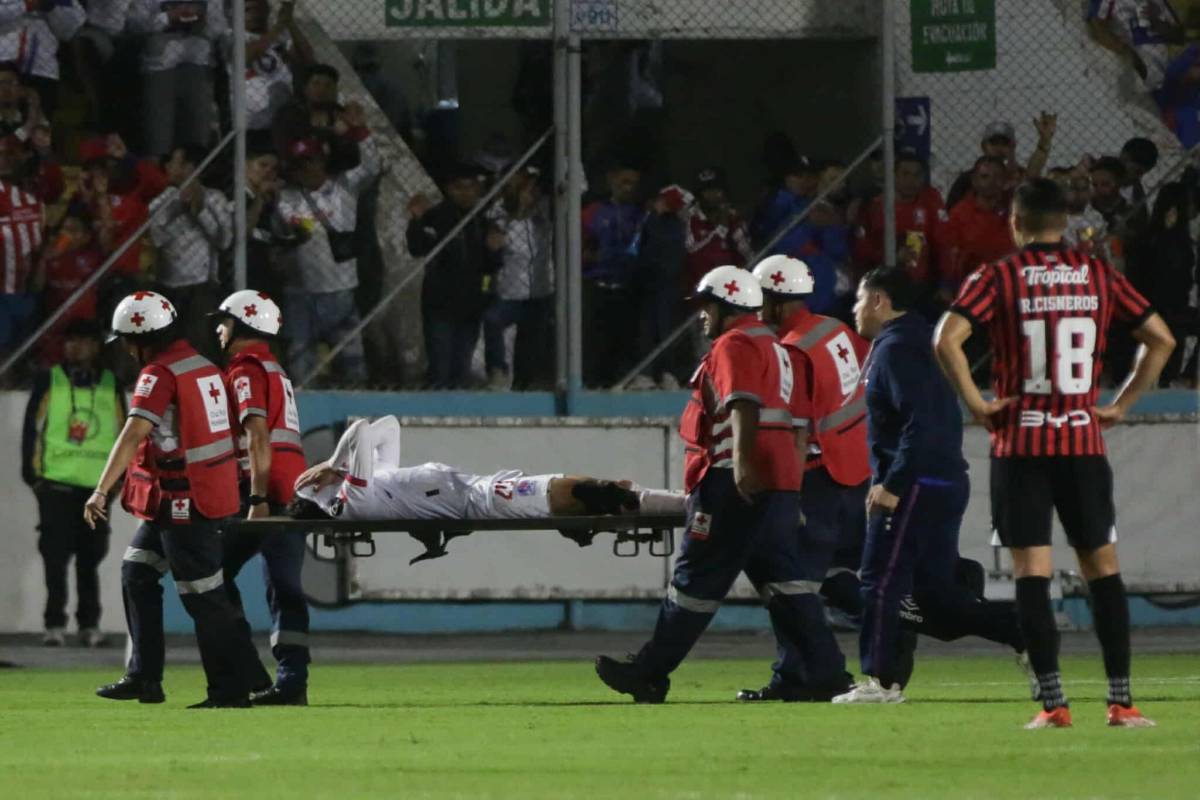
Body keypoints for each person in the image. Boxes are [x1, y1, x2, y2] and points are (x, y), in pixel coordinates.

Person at [933, 177, 1176, 728]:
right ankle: (1121, 702)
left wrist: (977, 402)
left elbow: (945, 339)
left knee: (1031, 572)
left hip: (1021, 443)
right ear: (1065, 221)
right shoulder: (1097, 274)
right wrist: (1121, 404)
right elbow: (1161, 338)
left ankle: (1053, 704)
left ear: (1015, 222)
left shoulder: (998, 276)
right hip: (1082, 442)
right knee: (1102, 568)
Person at [594, 265, 849, 704]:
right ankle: (826, 673)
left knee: (696, 579)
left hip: (733, 483)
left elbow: (741, 404)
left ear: (728, 307)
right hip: (776, 483)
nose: (701, 316)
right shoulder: (777, 348)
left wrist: (742, 466)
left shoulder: (735, 344)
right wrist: (789, 489)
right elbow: (798, 425)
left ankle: (649, 672)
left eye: (707, 307)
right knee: (786, 584)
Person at [830, 266, 1026, 704]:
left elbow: (921, 422)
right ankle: (1024, 631)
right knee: (934, 598)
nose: (854, 308)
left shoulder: (897, 348)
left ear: (879, 300)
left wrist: (893, 483)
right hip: (940, 480)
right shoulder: (919, 341)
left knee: (879, 581)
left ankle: (882, 681)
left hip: (915, 484)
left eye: (859, 299)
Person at [84, 291, 258, 708]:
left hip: (185, 499)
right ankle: (145, 678)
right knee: (137, 572)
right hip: (198, 494)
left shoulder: (159, 373)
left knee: (203, 595)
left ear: (140, 339)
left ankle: (231, 689)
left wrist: (101, 489)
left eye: (127, 341)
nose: (126, 350)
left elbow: (133, 435)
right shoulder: (202, 364)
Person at [287, 415, 684, 521]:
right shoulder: (354, 500)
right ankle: (680, 504)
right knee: (591, 493)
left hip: (482, 489)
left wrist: (335, 466)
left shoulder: (370, 486)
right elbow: (360, 430)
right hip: (483, 499)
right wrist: (333, 463)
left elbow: (388, 426)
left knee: (595, 491)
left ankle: (671, 502)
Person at [213, 290, 311, 706]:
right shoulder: (274, 368)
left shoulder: (245, 369)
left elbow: (256, 435)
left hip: (264, 490)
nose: (219, 329)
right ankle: (291, 681)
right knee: (286, 588)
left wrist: (256, 498)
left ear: (242, 325)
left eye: (224, 321)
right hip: (294, 488)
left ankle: (249, 669)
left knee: (210, 577)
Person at [22, 319, 123, 648]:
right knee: (55, 559)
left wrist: (116, 484)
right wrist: (34, 477)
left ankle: (89, 625)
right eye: (70, 341)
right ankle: (54, 624)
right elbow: (32, 430)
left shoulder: (111, 383)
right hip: (56, 486)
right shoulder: (49, 380)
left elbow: (124, 434)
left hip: (97, 490)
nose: (74, 347)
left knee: (90, 560)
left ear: (96, 346)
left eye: (82, 341)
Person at [274, 116, 379, 386]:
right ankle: (303, 401)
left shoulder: (344, 187)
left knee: (352, 360)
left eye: (311, 162)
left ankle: (357, 400)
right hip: (302, 290)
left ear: (322, 161)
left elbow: (372, 165)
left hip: (341, 288)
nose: (306, 170)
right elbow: (287, 227)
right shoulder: (287, 196)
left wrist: (360, 131)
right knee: (300, 359)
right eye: (300, 165)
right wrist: (299, 229)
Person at [408, 163, 502, 389]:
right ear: (449, 189)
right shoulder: (436, 217)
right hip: (440, 303)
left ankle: (456, 401)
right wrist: (416, 222)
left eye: (471, 187)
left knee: (462, 367)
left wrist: (493, 250)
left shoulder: (481, 220)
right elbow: (417, 248)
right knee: (440, 367)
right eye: (460, 187)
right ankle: (436, 403)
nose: (466, 193)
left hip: (470, 304)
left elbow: (490, 265)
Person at [149, 144, 232, 347]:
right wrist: (177, 210)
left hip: (202, 285)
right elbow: (157, 238)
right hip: (168, 285)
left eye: (174, 162)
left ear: (190, 168)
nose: (167, 166)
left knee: (199, 343)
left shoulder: (215, 198)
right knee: (167, 346)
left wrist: (199, 211)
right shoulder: (163, 200)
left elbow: (225, 241)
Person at [483, 165, 554, 390]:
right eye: (524, 187)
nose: (529, 193)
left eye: (533, 188)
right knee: (492, 320)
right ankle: (497, 370)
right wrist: (517, 211)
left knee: (531, 342)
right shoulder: (498, 212)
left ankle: (524, 384)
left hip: (539, 290)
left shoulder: (545, 209)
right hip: (509, 290)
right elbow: (493, 244)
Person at [127, 0, 228, 155]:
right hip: (159, 66)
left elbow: (219, 27)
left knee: (198, 137)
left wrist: (204, 20)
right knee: (159, 136)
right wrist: (168, 17)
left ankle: (195, 168)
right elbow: (135, 24)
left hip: (199, 64)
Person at [581, 162, 643, 387]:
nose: (628, 188)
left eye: (633, 184)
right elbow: (579, 242)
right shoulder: (594, 211)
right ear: (611, 180)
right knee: (594, 339)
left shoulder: (639, 214)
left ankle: (619, 382)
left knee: (623, 339)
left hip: (626, 285)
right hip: (596, 284)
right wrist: (587, 256)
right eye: (624, 182)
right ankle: (590, 384)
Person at [938, 155, 1015, 300]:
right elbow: (949, 255)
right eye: (985, 177)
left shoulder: (1014, 211)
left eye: (997, 177)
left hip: (1009, 284)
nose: (992, 182)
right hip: (972, 286)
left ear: (1005, 181)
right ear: (974, 180)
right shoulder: (960, 213)